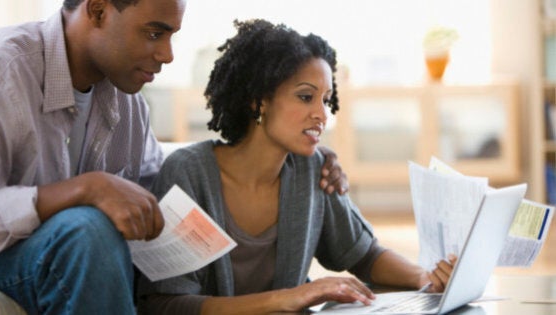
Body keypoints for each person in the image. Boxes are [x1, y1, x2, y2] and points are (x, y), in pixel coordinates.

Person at [0, 1, 350, 314]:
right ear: (99, 10)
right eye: (155, 33)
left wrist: (301, 152)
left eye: (172, 34)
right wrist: (84, 189)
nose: (168, 54)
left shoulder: (128, 104)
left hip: (67, 258)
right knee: (88, 229)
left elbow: (162, 197)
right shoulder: (1, 70)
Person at [137, 19, 457, 315]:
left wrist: (424, 277)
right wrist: (286, 298)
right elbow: (165, 303)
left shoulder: (311, 169)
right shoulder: (188, 175)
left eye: (325, 99)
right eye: (306, 97)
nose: (322, 114)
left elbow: (364, 254)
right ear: (258, 100)